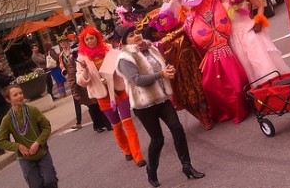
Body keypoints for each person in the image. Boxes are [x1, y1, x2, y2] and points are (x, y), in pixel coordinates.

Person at [146, 0, 250, 124]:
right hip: (211, 59)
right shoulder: (189, 17)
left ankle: (243, 106)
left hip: (235, 47)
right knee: (212, 86)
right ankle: (225, 112)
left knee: (237, 81)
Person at [115, 25, 205, 187]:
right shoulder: (124, 58)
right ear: (123, 41)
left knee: (177, 129)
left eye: (137, 33)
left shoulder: (150, 48)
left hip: (162, 98)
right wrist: (160, 75)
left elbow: (161, 68)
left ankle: (187, 166)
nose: (136, 36)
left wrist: (168, 71)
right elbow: (137, 80)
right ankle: (152, 170)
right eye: (131, 35)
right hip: (144, 105)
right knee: (158, 140)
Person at [76, 25, 146, 167]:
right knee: (117, 126)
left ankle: (138, 155)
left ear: (97, 38)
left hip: (119, 90)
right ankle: (127, 150)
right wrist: (85, 72)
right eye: (86, 39)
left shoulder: (109, 50)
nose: (90, 41)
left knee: (128, 123)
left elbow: (122, 63)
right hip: (103, 96)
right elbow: (81, 81)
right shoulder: (82, 58)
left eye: (92, 38)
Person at [221, 0, 290, 83]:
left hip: (249, 31)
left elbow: (260, 6)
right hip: (234, 36)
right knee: (246, 66)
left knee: (260, 61)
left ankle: (272, 85)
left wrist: (259, 20)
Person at [0, 85, 58, 188]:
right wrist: (18, 147)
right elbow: (1, 141)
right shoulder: (7, 119)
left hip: (42, 153)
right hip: (25, 158)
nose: (20, 96)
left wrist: (38, 143)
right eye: (15, 95)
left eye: (21, 93)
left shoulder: (32, 110)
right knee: (36, 185)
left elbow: (46, 126)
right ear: (8, 99)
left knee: (50, 181)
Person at [57, 31, 111, 132]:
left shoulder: (81, 52)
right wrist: (74, 90)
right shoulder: (64, 57)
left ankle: (107, 123)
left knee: (98, 103)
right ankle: (97, 125)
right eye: (61, 42)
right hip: (79, 82)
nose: (63, 44)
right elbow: (67, 71)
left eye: (65, 41)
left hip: (91, 79)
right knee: (92, 106)